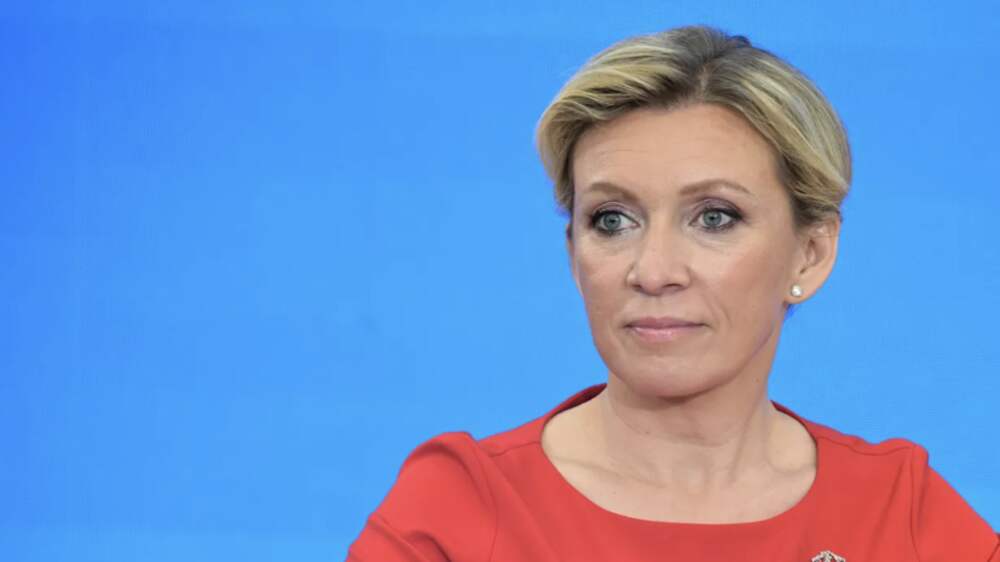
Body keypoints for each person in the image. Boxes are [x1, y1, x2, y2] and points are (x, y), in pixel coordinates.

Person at [346, 25, 999, 562]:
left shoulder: (900, 515)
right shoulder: (459, 510)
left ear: (812, 252)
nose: (653, 270)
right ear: (573, 254)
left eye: (714, 217)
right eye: (612, 220)